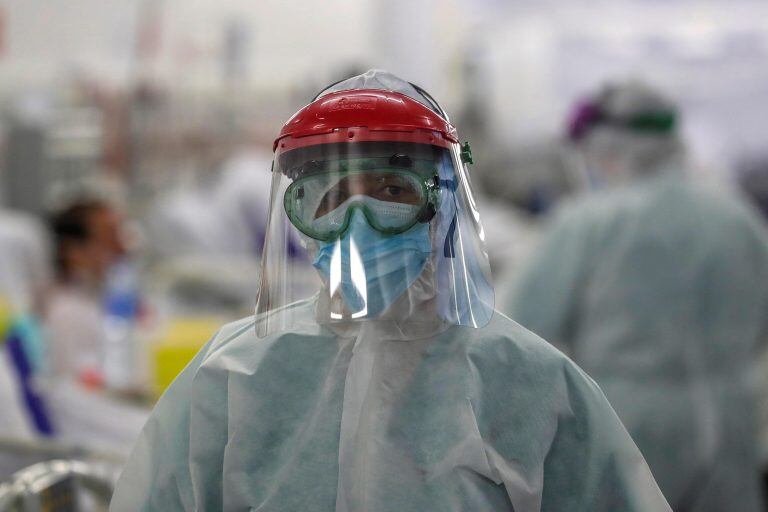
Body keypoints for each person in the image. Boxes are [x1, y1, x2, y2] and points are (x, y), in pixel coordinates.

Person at [110, 70, 670, 511]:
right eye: (330, 199)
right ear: (299, 220)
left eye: (389, 189)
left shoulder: (526, 381)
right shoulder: (234, 377)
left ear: (442, 205)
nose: (360, 220)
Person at [505, 81, 768, 512]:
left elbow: (520, 330)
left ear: (607, 151)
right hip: (730, 431)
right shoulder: (736, 218)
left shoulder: (589, 224)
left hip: (628, 428)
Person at [45, 198, 127, 383]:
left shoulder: (96, 301)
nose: (122, 248)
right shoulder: (68, 313)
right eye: (110, 238)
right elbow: (77, 395)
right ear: (75, 252)